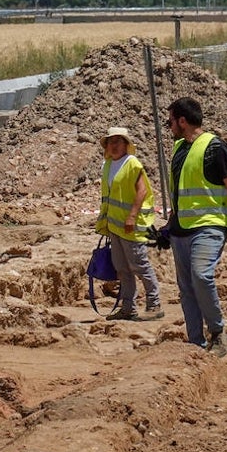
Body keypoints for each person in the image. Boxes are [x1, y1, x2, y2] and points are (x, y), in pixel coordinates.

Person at [166, 97, 227, 357]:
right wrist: (169, 225)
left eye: (171, 122)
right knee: (186, 287)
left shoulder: (214, 147)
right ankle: (196, 343)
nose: (169, 127)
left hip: (210, 226)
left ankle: (218, 333)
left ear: (182, 121)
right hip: (181, 229)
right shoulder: (179, 149)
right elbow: (179, 191)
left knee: (201, 276)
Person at [96, 127, 164, 321]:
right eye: (111, 141)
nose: (114, 145)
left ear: (126, 144)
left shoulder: (132, 163)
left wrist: (132, 216)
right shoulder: (108, 165)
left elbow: (142, 191)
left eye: (118, 141)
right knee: (122, 268)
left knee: (139, 265)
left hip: (131, 225)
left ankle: (154, 303)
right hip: (115, 225)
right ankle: (128, 308)